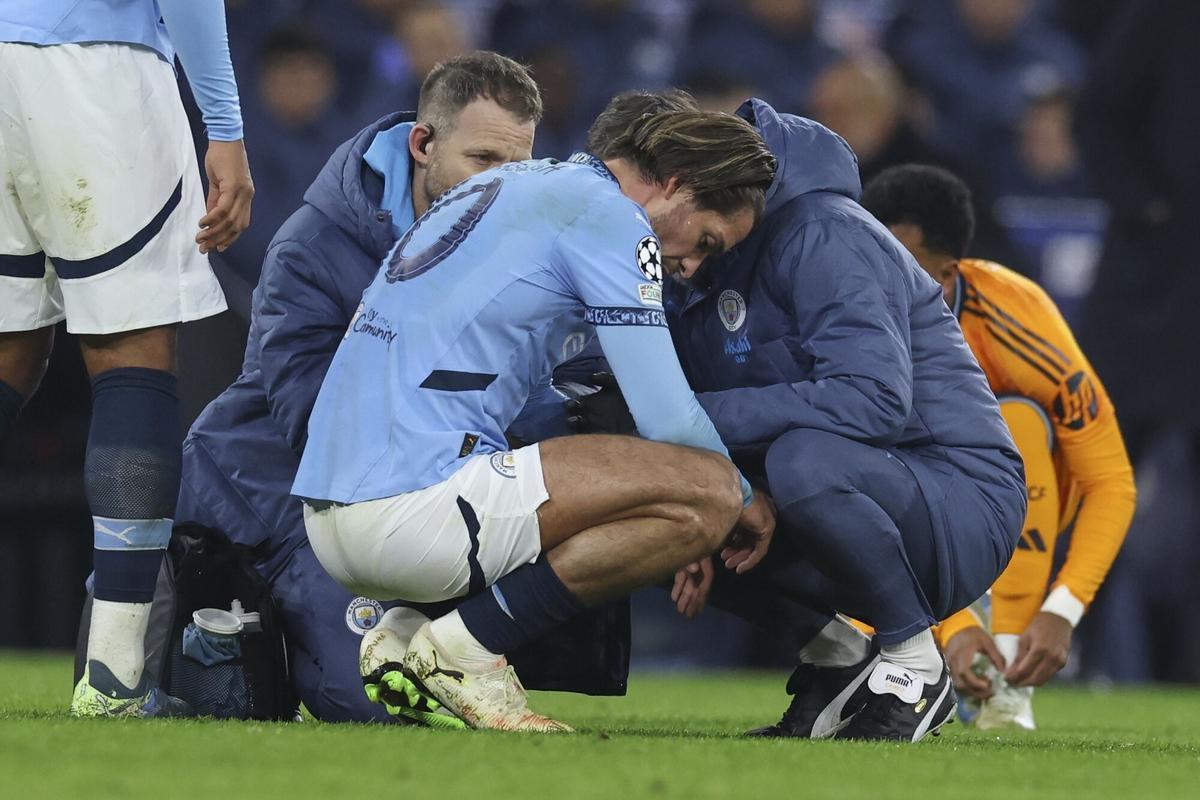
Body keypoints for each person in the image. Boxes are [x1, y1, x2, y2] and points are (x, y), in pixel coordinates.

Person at [293, 109, 779, 733]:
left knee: (660, 482)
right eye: (705, 241)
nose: (692, 266)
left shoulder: (511, 184)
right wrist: (741, 499)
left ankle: (406, 632)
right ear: (677, 183)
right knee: (706, 490)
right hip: (410, 509)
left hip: (332, 511)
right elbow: (668, 414)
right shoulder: (609, 217)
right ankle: (466, 645)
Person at [178, 52, 543, 724]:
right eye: (484, 161)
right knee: (377, 701)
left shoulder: (514, 253)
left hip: (418, 504)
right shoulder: (316, 248)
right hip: (287, 505)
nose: (501, 189)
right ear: (423, 144)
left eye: (517, 171)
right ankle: (264, 634)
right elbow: (314, 423)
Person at [661, 99, 1026, 742]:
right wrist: (716, 499)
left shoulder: (825, 232)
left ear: (702, 188)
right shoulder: (705, 264)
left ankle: (915, 663)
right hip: (856, 487)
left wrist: (700, 422)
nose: (658, 238)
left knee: (800, 460)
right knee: (670, 503)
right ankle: (837, 661)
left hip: (960, 495)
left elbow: (873, 399)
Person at [0, 0, 252, 717]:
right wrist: (226, 131)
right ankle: (113, 678)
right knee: (131, 348)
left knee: (10, 352)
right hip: (94, 72)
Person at [861, 164, 1136, 729]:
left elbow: (1110, 480)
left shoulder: (1018, 321)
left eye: (906, 267)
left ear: (948, 272)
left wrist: (1063, 609)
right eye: (872, 256)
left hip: (1005, 512)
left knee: (1021, 421)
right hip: (897, 509)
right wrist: (956, 626)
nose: (884, 282)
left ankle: (1003, 670)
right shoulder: (846, 312)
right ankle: (882, 647)